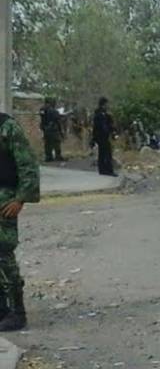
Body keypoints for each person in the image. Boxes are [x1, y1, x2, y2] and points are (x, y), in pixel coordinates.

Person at [0, 111, 40, 331]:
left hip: (4, 200)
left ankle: (17, 311)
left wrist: (20, 198)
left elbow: (27, 164)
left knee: (3, 254)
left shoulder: (7, 127)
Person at [92, 97, 118, 176]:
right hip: (101, 136)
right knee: (106, 153)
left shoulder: (105, 115)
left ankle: (103, 169)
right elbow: (100, 127)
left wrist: (113, 131)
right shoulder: (99, 115)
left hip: (103, 136)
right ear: (103, 105)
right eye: (106, 104)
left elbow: (109, 125)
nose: (107, 106)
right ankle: (107, 170)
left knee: (103, 153)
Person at [39, 98, 64, 162]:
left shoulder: (42, 109)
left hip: (45, 128)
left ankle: (48, 157)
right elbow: (58, 121)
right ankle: (58, 156)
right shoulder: (54, 111)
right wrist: (61, 130)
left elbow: (42, 118)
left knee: (47, 143)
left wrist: (43, 127)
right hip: (53, 129)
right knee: (56, 142)